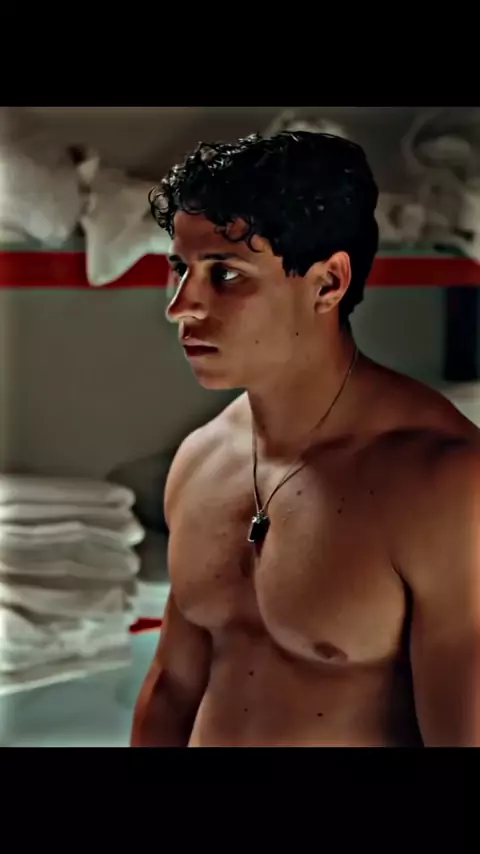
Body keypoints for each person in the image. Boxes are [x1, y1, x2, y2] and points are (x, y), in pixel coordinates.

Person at [131, 131, 480, 747]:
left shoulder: (443, 484)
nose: (181, 306)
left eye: (226, 274)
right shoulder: (201, 458)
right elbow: (173, 691)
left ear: (328, 283)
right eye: (181, 269)